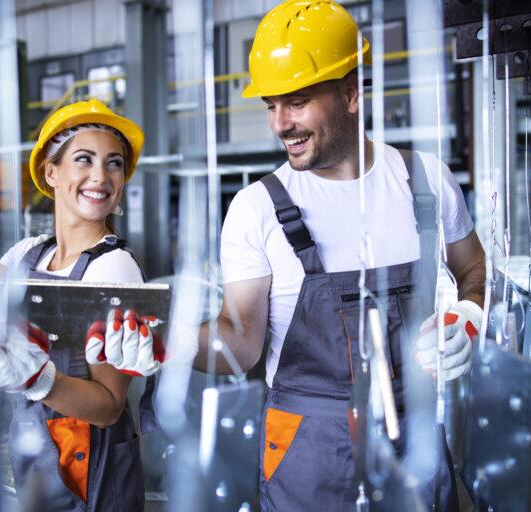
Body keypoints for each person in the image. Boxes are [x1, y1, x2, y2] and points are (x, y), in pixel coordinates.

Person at [194, 1, 486, 510]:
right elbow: (240, 346)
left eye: (297, 102)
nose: (279, 124)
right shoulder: (257, 208)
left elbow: (473, 268)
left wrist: (472, 315)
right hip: (305, 452)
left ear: (351, 94)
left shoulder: (425, 182)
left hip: (414, 437)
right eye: (270, 105)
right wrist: (157, 342)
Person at [0, 98, 161, 511]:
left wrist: (40, 380)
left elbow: (109, 407)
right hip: (33, 453)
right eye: (84, 159)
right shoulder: (25, 255)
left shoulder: (114, 266)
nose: (101, 176)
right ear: (51, 171)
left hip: (91, 468)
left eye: (114, 164)